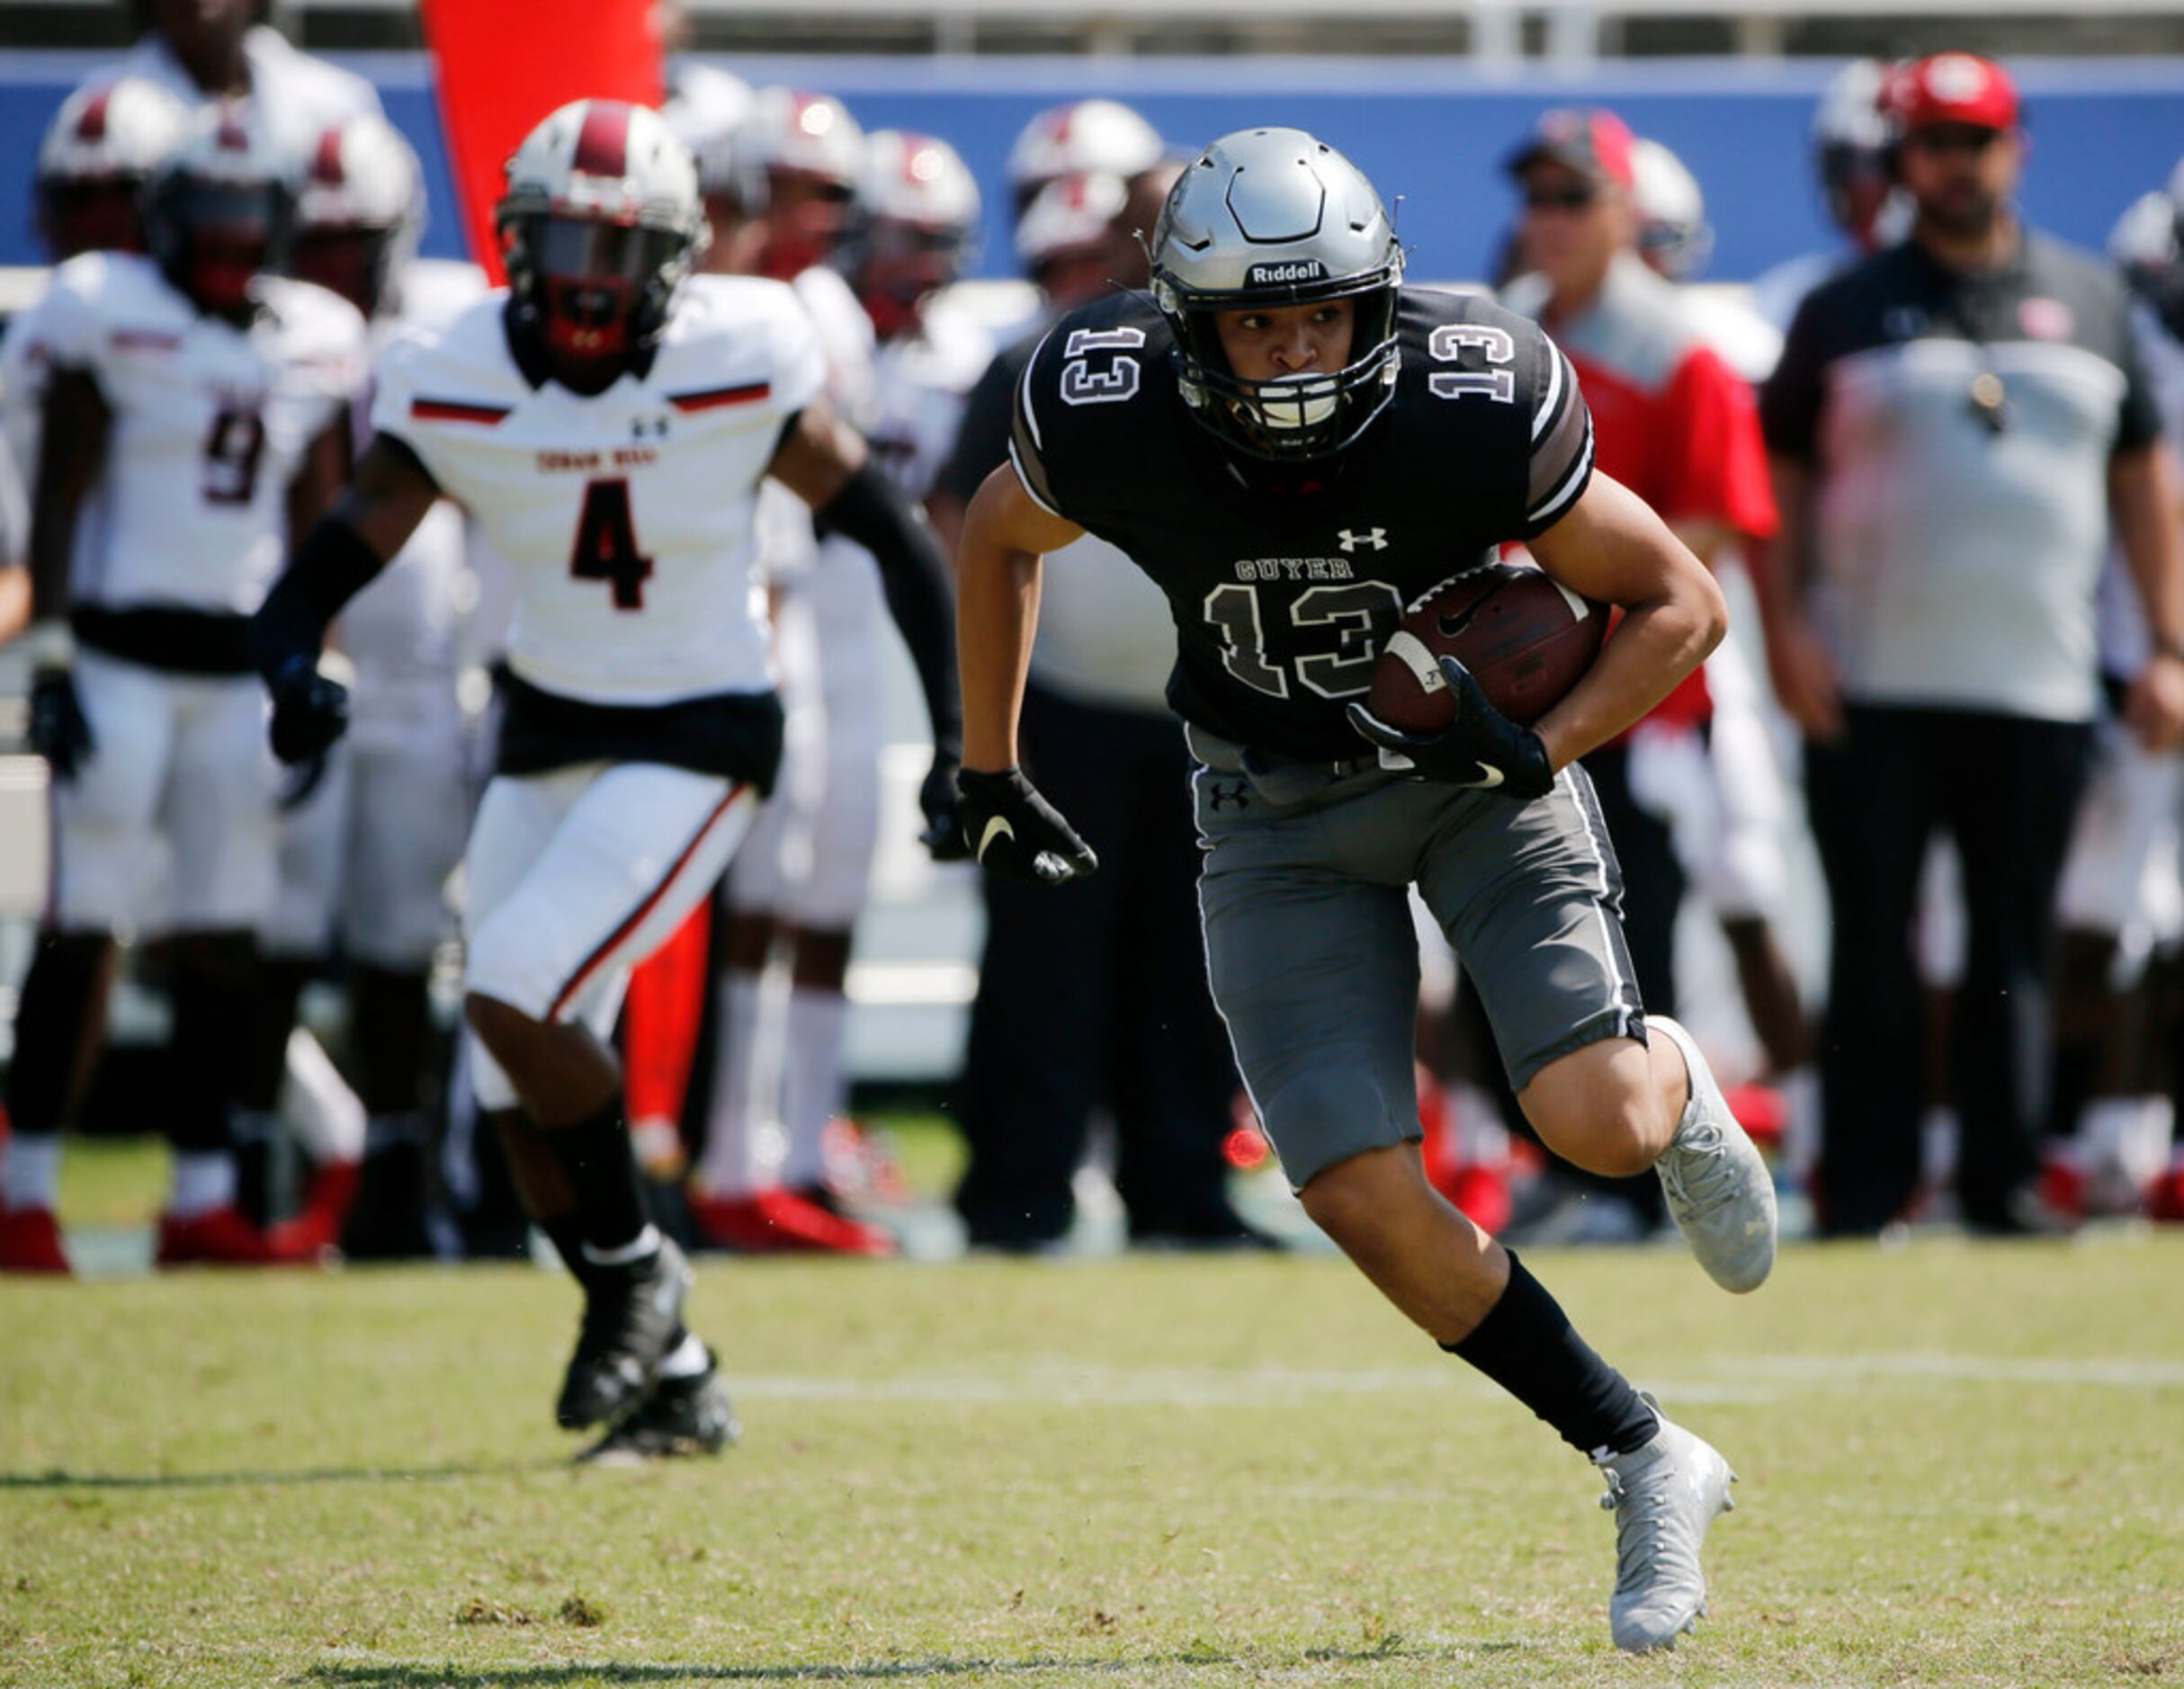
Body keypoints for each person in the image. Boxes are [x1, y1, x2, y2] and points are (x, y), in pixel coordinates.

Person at [952, 126, 1773, 1650]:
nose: (1288, 350)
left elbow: (1680, 600)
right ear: (1183, 325)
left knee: (1592, 1122)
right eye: (1254, 320)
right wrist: (986, 765)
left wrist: (1528, 742)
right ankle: (1642, 1446)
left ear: (1373, 306)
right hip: (1268, 811)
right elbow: (998, 533)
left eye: (1318, 313)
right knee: (1350, 1187)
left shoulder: (1471, 393)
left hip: (1476, 793)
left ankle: (1677, 1079)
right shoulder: (1106, 399)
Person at [247, 99, 963, 1457]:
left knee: (518, 988)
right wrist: (288, 660)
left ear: (680, 261)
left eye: (623, 247)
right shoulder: (451, 366)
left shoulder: (743, 351)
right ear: (516, 243)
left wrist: (960, 745)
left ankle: (636, 1278)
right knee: (516, 1075)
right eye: (567, 238)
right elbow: (346, 543)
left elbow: (890, 535)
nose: (591, 275)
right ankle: (679, 1370)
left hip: (698, 729)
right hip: (543, 727)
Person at [1757, 53, 2184, 1237]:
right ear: (1899, 160)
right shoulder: (1840, 307)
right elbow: (1779, 474)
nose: (1955, 162)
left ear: (2017, 147)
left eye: (1975, 138)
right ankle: (1869, 1182)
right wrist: (1787, 627)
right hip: (1872, 681)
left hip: (2039, 680)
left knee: (2017, 942)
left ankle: (2001, 1181)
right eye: (1931, 141)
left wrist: (2169, 643)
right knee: (1872, 941)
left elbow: (2144, 475)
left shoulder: (2095, 300)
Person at [0, 103, 366, 1270]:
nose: (224, 233)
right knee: (81, 926)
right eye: (204, 210)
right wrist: (50, 654)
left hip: (238, 671)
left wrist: (323, 661)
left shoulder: (314, 334)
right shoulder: (107, 310)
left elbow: (325, 508)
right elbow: (59, 489)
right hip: (116, 657)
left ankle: (204, 1193)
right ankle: (26, 1188)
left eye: (245, 212)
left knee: (227, 938)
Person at [1499, 111, 1799, 1237]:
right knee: (1517, 931)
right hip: (1519, 696)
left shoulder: (1680, 346)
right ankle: (1555, 1160)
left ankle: (1630, 1177)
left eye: (1574, 197)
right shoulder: (1511, 335)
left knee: (1634, 933)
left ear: (1627, 212)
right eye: (1536, 198)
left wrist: (1562, 593)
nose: (1550, 220)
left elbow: (1714, 524)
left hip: (1643, 704)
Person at [244, 112, 486, 1260]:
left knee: (402, 939)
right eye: (320, 241)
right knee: (270, 928)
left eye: (357, 240)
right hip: (297, 667)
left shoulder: (452, 321)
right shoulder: (266, 330)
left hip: (420, 677)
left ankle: (397, 1169)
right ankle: (259, 1165)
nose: (336, 265)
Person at [1750, 58, 1904, 335]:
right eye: (1855, 165)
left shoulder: (1999, 295)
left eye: (1885, 165)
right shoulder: (1790, 301)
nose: (1862, 186)